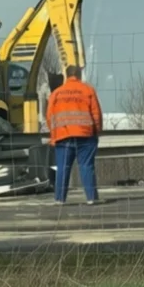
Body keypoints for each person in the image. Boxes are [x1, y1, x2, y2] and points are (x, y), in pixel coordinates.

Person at [46, 65, 103, 205]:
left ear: (66, 75)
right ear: (79, 75)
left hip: (63, 136)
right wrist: (97, 132)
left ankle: (60, 199)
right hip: (85, 135)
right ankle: (91, 198)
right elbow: (96, 114)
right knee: (86, 166)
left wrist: (54, 136)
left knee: (63, 168)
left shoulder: (56, 93)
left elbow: (49, 116)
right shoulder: (88, 90)